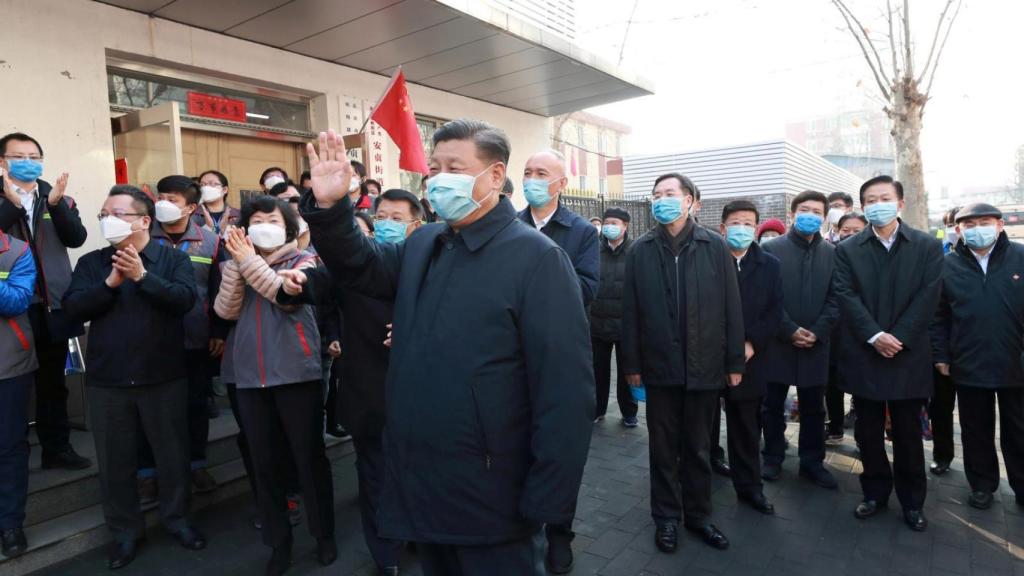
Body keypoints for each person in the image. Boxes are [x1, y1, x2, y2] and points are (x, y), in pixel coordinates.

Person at [298, 123, 594, 576]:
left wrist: (548, 498)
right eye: (433, 169)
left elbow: (566, 392)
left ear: (495, 177)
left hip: (494, 493)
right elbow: (359, 267)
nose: (439, 179)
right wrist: (331, 208)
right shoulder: (424, 243)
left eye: (455, 168)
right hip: (421, 481)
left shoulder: (537, 259)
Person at [63, 185, 204, 570]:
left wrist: (143, 277)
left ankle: (178, 520)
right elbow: (73, 308)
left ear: (145, 220)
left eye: (118, 213)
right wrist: (111, 283)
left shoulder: (171, 259)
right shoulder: (93, 263)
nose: (108, 219)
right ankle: (125, 534)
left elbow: (184, 301)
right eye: (104, 213)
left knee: (172, 457)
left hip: (163, 376)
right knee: (115, 463)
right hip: (109, 380)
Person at [213, 196, 336, 574]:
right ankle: (277, 541)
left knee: (308, 457)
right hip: (249, 377)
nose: (264, 225)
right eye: (256, 219)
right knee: (263, 462)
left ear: (288, 227)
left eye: (272, 219)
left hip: (297, 373)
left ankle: (323, 534)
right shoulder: (233, 262)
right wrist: (238, 264)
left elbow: (285, 299)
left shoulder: (304, 262)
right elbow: (225, 310)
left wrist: (248, 262)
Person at [622, 172, 744, 553]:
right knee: (661, 448)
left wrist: (734, 361)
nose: (662, 200)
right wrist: (631, 364)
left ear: (691, 201)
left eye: (670, 193)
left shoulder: (715, 246)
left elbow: (731, 308)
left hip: (705, 366)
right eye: (656, 194)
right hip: (659, 367)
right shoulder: (641, 249)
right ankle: (666, 519)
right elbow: (631, 313)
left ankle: (699, 516)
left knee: (697, 447)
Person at [834, 175, 942, 532]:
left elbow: (929, 296)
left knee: (908, 433)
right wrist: (875, 335)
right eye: (870, 199)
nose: (877, 204)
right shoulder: (849, 249)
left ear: (900, 203)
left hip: (907, 355)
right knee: (867, 432)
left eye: (884, 197)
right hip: (865, 353)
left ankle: (912, 502)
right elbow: (845, 295)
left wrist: (899, 337)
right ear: (863, 207)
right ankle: (875, 492)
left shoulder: (925, 245)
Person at [517, 148, 599, 573]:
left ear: (561, 184)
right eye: (527, 172)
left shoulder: (582, 231)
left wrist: (539, 271)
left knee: (562, 450)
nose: (532, 178)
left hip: (563, 355)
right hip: (514, 354)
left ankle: (560, 533)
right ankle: (522, 525)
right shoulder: (508, 224)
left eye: (541, 173)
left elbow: (587, 289)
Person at [336, 188, 424, 575]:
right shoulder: (360, 267)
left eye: (397, 218)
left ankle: (419, 533)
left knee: (417, 474)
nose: (387, 223)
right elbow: (320, 287)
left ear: (416, 226)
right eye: (381, 216)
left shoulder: (432, 266)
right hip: (368, 393)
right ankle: (384, 554)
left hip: (419, 399)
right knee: (374, 478)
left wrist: (414, 331)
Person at [0, 132, 91, 471]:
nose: (29, 161)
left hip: (52, 304)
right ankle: (14, 456)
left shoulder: (56, 198)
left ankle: (57, 448)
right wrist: (10, 205)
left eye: (35, 156)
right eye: (19, 155)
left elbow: (76, 237)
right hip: (11, 307)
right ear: (2, 161)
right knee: (13, 385)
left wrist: (55, 205)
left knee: (53, 383)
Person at [135, 175, 226, 501]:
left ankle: (196, 464)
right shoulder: (142, 237)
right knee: (147, 409)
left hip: (195, 338)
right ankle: (147, 473)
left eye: (172, 199)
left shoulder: (212, 242)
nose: (163, 203)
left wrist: (218, 330)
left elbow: (221, 289)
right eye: (161, 196)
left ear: (191, 207)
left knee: (195, 406)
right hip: (148, 340)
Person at [932, 203, 1024, 510]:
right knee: (975, 428)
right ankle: (982, 484)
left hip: (1016, 362)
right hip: (968, 362)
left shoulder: (1020, 258)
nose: (976, 229)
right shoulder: (947, 266)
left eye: (984, 222)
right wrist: (941, 355)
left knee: (1018, 429)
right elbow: (939, 317)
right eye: (968, 225)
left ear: (999, 225)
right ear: (958, 230)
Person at [760, 191, 839, 489]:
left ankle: (812, 462)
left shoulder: (833, 253)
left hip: (816, 344)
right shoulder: (770, 249)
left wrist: (818, 331)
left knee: (814, 408)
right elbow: (764, 297)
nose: (810, 215)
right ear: (792, 214)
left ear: (824, 216)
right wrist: (788, 329)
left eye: (816, 211)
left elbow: (837, 298)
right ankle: (773, 456)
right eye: (804, 209)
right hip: (778, 342)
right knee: (772, 405)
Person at [713, 200, 782, 515]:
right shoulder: (709, 260)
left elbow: (774, 311)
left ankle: (750, 487)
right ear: (723, 227)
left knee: (745, 428)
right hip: (709, 356)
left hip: (751, 360)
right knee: (702, 424)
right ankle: (703, 479)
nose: (741, 229)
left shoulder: (770, 265)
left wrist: (751, 343)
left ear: (755, 228)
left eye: (748, 223)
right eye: (735, 222)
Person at [0, 226, 38, 559]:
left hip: (8, 364)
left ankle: (10, 523)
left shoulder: (17, 250)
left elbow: (18, 300)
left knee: (9, 445)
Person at [590, 207, 638, 427]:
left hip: (625, 325)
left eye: (615, 223)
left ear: (625, 226)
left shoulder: (636, 251)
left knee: (627, 371)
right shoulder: (594, 250)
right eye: (607, 222)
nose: (609, 226)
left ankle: (629, 412)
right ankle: (597, 409)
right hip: (598, 323)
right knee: (597, 371)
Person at [825, 212, 868, 444]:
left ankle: (864, 437)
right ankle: (835, 428)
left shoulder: (872, 256)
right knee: (832, 385)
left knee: (861, 389)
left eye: (857, 230)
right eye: (846, 230)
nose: (850, 235)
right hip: (834, 331)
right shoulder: (831, 253)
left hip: (862, 333)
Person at [928, 206, 961, 476]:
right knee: (941, 409)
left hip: (982, 351)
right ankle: (942, 455)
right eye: (951, 223)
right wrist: (939, 354)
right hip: (943, 350)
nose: (953, 228)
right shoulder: (938, 253)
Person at [195, 170, 241, 235]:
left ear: (224, 190)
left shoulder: (238, 215)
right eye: (202, 185)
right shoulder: (192, 215)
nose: (206, 188)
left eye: (212, 184)